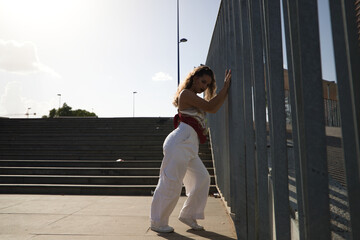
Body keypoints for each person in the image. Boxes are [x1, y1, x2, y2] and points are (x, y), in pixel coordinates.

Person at [150, 65, 231, 233]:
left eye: (207, 85)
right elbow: (211, 107)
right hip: (180, 143)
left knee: (203, 178)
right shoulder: (186, 94)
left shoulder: (194, 96)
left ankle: (188, 214)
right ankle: (157, 222)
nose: (204, 87)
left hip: (188, 146)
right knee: (171, 183)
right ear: (194, 78)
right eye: (202, 82)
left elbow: (211, 107)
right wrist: (225, 88)